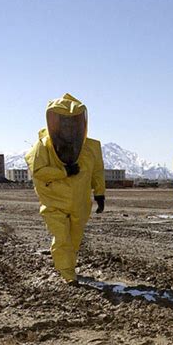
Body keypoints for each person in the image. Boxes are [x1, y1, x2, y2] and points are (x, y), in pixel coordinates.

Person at [26, 93, 105, 285]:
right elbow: (38, 171)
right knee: (62, 239)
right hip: (54, 204)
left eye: (72, 122)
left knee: (74, 239)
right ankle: (67, 274)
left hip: (80, 203)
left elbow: (97, 171)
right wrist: (63, 171)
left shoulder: (91, 148)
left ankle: (68, 264)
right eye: (65, 122)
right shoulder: (43, 146)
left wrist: (100, 193)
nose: (69, 127)